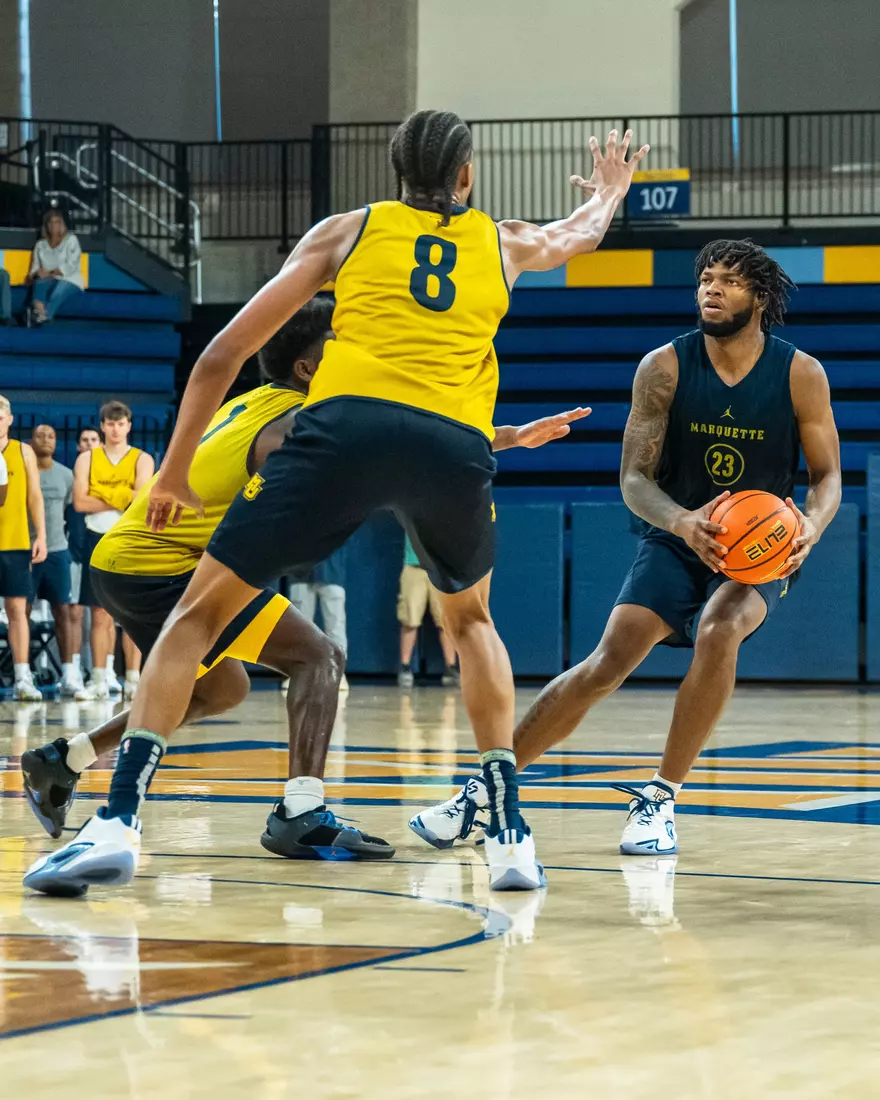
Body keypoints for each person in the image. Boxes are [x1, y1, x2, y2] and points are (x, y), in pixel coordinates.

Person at [24, 111, 646, 899]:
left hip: (345, 427)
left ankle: (115, 824)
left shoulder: (345, 232)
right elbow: (579, 234)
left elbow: (223, 354)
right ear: (466, 177)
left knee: (197, 619)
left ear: (396, 176)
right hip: (453, 443)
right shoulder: (502, 239)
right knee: (473, 625)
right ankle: (512, 839)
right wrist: (613, 189)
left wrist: (173, 473)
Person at [409, 238, 842, 858]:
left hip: (760, 548)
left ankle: (660, 797)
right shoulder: (662, 366)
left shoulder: (800, 373)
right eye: (705, 280)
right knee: (607, 661)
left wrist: (812, 526)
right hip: (676, 535)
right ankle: (486, 793)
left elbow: (827, 477)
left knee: (721, 628)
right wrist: (684, 522)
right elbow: (633, 480)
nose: (710, 290)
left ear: (761, 296)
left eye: (728, 282)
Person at [21, 298, 394, 868]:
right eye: (338, 344)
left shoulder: (256, 401)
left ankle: (65, 759)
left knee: (224, 689)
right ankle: (302, 811)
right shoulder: (294, 422)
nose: (354, 351)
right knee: (318, 657)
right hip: (160, 564)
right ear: (307, 367)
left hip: (131, 556)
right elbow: (284, 478)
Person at [73, 402, 154, 701]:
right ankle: (99, 679)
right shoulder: (87, 459)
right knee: (99, 613)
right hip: (96, 536)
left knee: (131, 612)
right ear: (102, 426)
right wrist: (122, 495)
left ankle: (134, 679)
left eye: (121, 424)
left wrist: (102, 492)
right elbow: (80, 503)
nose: (115, 429)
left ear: (129, 426)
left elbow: (141, 500)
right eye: (110, 423)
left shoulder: (142, 459)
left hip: (130, 537)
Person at [0, 395, 48, 700]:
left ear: (9, 419)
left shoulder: (23, 451)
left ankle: (22, 678)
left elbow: (34, 497)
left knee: (17, 609)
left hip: (15, 541)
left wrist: (40, 535)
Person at [29, 424, 78, 695]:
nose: (46, 440)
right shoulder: (25, 471)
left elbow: (71, 513)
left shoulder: (66, 475)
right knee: (20, 612)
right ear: (30, 441)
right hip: (25, 549)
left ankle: (69, 674)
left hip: (58, 550)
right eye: (40, 435)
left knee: (65, 612)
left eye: (51, 436)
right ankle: (22, 673)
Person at [397, 534, 459, 688]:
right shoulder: (410, 508)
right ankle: (405, 666)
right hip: (413, 565)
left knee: (445, 620)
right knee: (410, 619)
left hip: (440, 568)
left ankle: (450, 667)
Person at [66, 426, 101, 694]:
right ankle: (74, 670)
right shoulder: (72, 476)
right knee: (74, 613)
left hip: (96, 548)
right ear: (78, 446)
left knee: (101, 616)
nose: (89, 444)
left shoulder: (107, 475)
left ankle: (102, 672)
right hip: (73, 551)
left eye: (93, 440)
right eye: (84, 440)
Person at [287, 546, 350, 694]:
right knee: (299, 627)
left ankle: (338, 674)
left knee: (335, 626)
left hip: (332, 571)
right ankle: (298, 674)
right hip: (300, 571)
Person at [25, 211, 85, 325]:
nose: (54, 225)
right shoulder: (40, 245)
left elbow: (71, 265)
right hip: (49, 279)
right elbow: (34, 269)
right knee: (40, 282)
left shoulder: (71, 240)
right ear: (46, 225)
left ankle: (43, 315)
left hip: (69, 279)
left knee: (57, 292)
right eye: (50, 222)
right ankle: (38, 311)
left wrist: (50, 273)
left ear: (62, 224)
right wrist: (37, 274)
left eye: (57, 222)